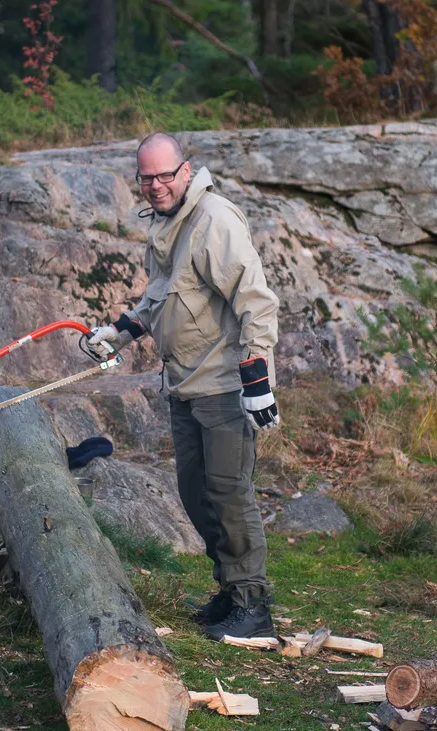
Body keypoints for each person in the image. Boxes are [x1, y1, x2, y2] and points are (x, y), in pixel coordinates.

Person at [87, 132, 281, 640]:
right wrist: (120, 332)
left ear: (186, 171)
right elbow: (161, 296)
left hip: (224, 385)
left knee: (228, 493)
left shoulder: (214, 219)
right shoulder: (165, 224)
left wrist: (258, 378)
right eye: (145, 177)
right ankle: (228, 592)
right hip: (184, 383)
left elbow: (256, 301)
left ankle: (253, 606)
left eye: (164, 175)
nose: (155, 186)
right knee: (196, 494)